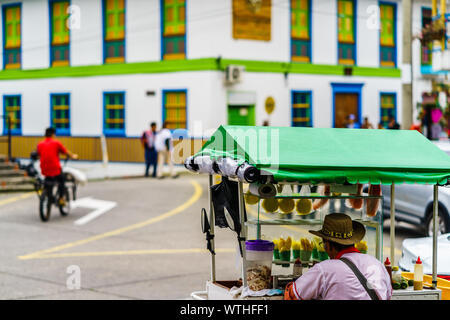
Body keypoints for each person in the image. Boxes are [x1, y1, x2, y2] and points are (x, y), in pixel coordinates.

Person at [284, 213, 392, 300]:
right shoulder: (377, 264)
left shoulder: (324, 269)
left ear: (328, 245)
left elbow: (293, 295)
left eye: (324, 246)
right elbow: (388, 295)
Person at [37, 127, 78, 205]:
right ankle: (61, 198)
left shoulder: (40, 144)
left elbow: (39, 154)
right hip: (55, 169)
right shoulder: (56, 143)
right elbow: (65, 152)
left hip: (44, 169)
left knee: (48, 181)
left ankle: (48, 195)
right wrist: (73, 156)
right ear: (53, 134)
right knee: (61, 180)